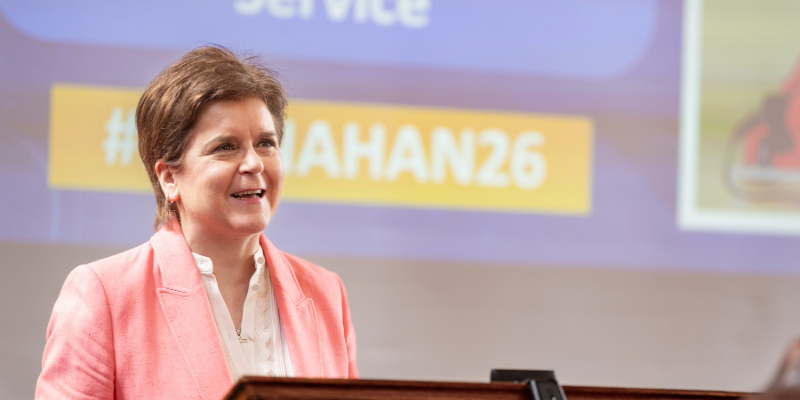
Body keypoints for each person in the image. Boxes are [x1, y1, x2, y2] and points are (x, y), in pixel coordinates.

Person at [35, 46, 358, 400]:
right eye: (226, 147)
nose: (254, 163)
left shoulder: (326, 293)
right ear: (169, 178)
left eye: (266, 143)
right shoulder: (104, 295)